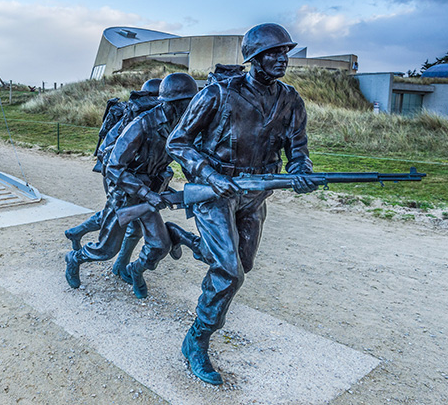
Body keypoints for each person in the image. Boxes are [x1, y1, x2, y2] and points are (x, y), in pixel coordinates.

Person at [166, 23, 317, 385]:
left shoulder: (291, 100)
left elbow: (298, 152)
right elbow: (178, 142)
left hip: (255, 194)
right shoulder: (218, 93)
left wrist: (301, 173)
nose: (282, 59)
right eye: (273, 53)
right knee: (229, 272)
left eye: (284, 52)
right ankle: (197, 339)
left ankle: (186, 240)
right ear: (254, 58)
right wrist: (209, 174)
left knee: (241, 263)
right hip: (216, 192)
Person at [65, 73, 199, 298]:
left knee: (159, 245)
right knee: (106, 249)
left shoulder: (180, 127)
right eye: (188, 102)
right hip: (126, 194)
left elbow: (186, 158)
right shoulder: (142, 125)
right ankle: (74, 258)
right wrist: (145, 192)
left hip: (151, 194)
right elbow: (114, 168)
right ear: (173, 102)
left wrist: (197, 185)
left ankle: (134, 270)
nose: (193, 107)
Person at [63, 79, 162, 280]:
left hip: (142, 182)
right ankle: (79, 256)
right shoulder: (134, 118)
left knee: (131, 225)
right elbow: (107, 153)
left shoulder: (163, 122)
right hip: (121, 180)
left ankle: (119, 264)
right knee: (115, 225)